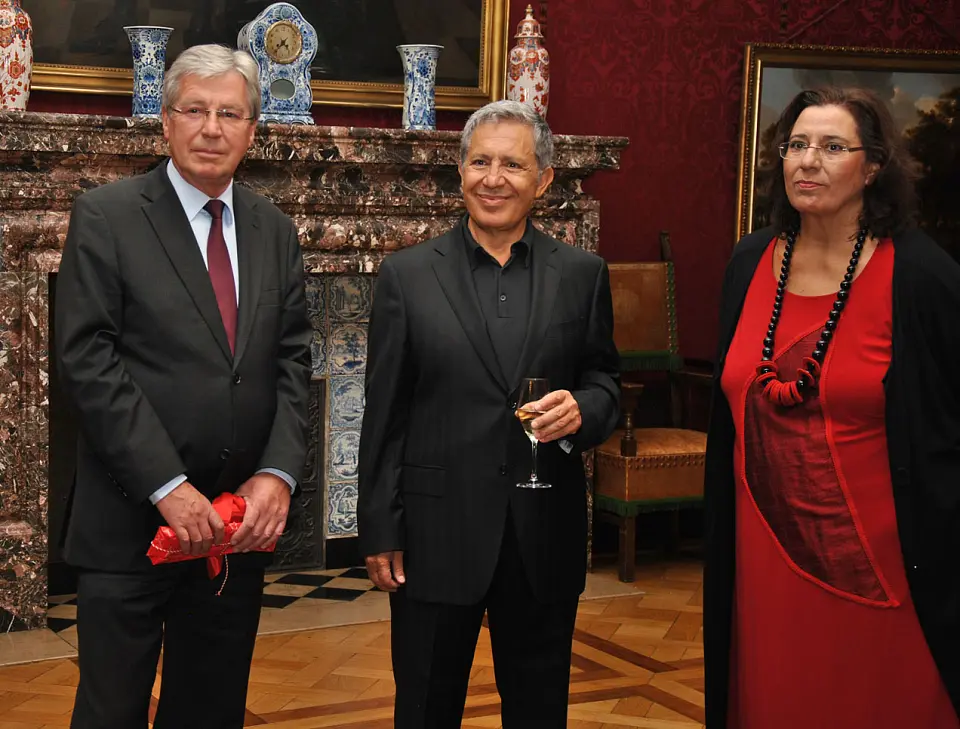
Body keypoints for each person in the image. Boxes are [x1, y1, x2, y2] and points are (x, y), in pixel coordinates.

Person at [54, 44, 312, 729]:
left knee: (211, 709)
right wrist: (166, 485)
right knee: (111, 711)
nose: (212, 128)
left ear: (252, 130)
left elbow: (292, 361)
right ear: (166, 121)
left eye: (230, 113)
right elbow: (87, 362)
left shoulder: (275, 230)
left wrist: (278, 473)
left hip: (234, 529)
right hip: (130, 522)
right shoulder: (107, 216)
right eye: (195, 110)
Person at [703, 86, 960, 728]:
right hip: (761, 562)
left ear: (872, 168)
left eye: (832, 146)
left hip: (887, 566)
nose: (808, 161)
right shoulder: (748, 263)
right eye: (796, 145)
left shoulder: (922, 277)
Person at [358, 99, 620, 727]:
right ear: (460, 170)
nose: (493, 179)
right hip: (434, 536)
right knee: (425, 707)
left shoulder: (582, 274)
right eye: (479, 162)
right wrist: (381, 528)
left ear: (544, 180)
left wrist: (582, 409)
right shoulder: (407, 276)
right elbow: (384, 414)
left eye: (512, 165)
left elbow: (606, 382)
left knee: (538, 712)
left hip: (543, 534)